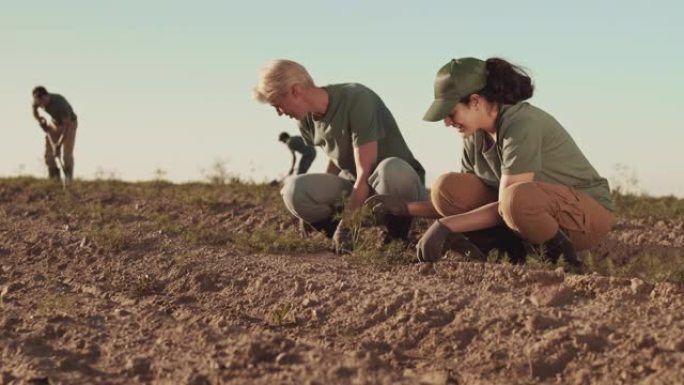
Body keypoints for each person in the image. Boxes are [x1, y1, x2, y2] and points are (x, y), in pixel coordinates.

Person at [366, 57, 614, 271]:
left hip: (585, 215)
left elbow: (509, 202)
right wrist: (405, 208)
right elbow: (460, 205)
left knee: (516, 198)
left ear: (475, 101)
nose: (447, 123)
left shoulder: (522, 123)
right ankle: (514, 256)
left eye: (450, 113)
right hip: (525, 209)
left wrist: (447, 226)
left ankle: (565, 265)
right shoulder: (475, 135)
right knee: (447, 189)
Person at [254, 59, 428, 254]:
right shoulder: (306, 121)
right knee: (293, 190)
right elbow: (336, 154)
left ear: (295, 91)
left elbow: (365, 171)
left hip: (396, 190)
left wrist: (347, 223)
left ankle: (397, 239)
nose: (279, 113)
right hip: (358, 189)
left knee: (392, 169)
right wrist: (309, 211)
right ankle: (346, 244)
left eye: (278, 105)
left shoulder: (357, 98)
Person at [31, 86, 78, 182]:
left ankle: (68, 180)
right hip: (54, 123)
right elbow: (35, 113)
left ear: (46, 96)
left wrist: (58, 144)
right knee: (49, 154)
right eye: (38, 102)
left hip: (69, 125)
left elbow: (66, 128)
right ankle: (54, 180)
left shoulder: (60, 103)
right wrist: (41, 121)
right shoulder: (37, 101)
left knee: (66, 155)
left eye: (42, 101)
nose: (41, 104)